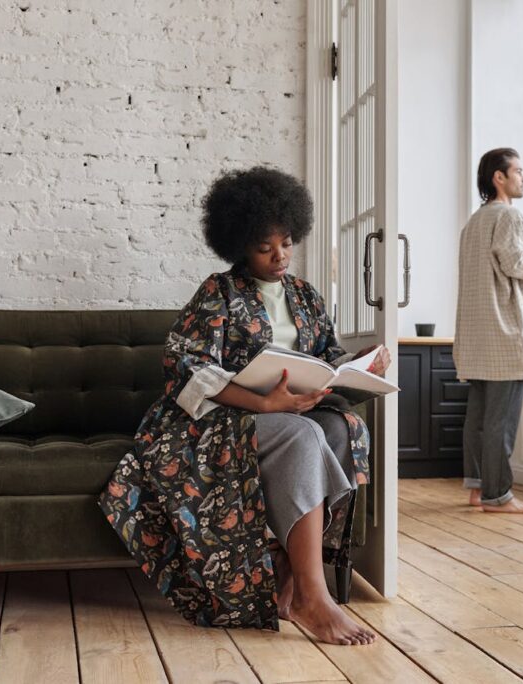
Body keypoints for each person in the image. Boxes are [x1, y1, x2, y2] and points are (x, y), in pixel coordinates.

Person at [99, 166, 390, 645]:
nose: (280, 256)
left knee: (343, 430)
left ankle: (292, 573)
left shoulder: (304, 296)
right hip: (217, 420)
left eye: (287, 243)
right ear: (239, 245)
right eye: (264, 247)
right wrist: (262, 402)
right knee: (305, 434)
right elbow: (185, 368)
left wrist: (358, 364)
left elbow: (324, 357)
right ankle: (313, 599)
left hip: (287, 411)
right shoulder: (218, 293)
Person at [453, 148, 523, 514]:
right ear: (499, 177)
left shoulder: (473, 222)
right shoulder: (509, 216)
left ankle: (479, 488)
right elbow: (515, 264)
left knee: (479, 418)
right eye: (519, 171)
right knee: (501, 420)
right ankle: (499, 496)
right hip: (505, 334)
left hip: (477, 335)